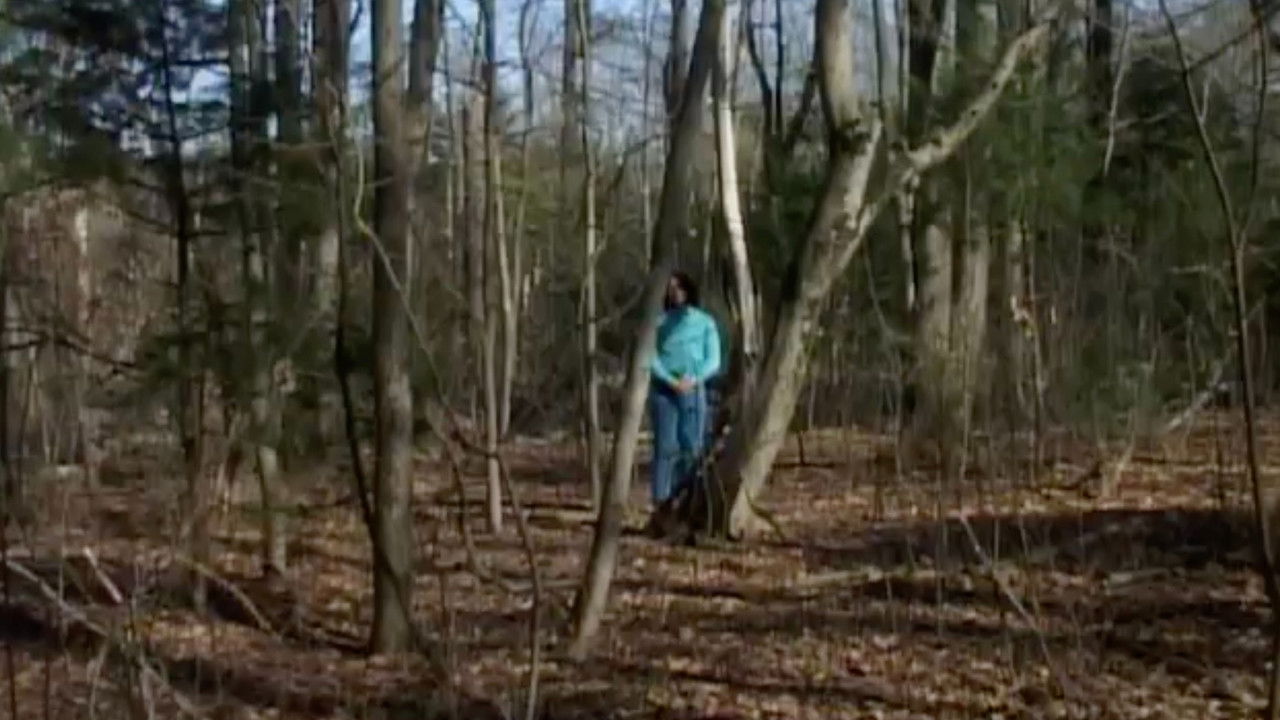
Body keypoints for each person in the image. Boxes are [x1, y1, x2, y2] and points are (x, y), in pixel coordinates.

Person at [648, 271, 722, 511]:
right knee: (665, 447)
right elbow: (650, 356)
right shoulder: (660, 322)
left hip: (693, 389)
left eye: (679, 287)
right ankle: (661, 502)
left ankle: (687, 498)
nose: (675, 292)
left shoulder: (705, 322)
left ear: (688, 290)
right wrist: (669, 380)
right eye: (670, 288)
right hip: (664, 390)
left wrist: (695, 379)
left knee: (691, 446)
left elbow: (714, 360)